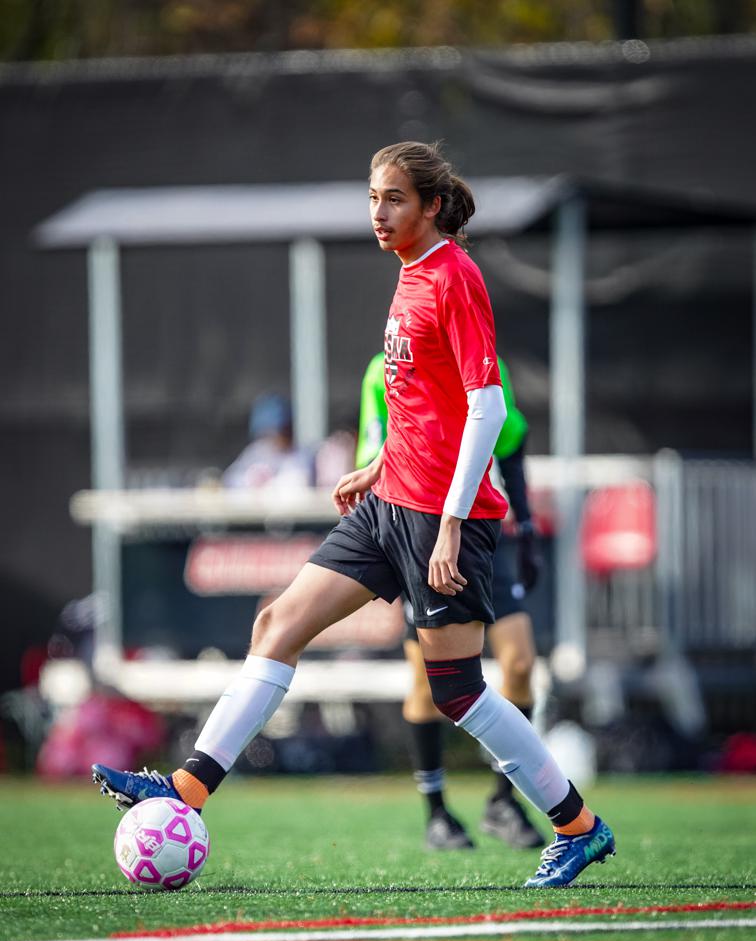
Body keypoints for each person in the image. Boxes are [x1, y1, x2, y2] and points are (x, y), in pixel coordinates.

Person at [92, 140, 615, 887]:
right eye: (372, 197)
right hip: (387, 504)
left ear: (432, 206)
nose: (378, 211)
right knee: (276, 625)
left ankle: (579, 827)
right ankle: (185, 789)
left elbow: (487, 406)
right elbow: (421, 404)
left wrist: (451, 524)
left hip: (446, 521)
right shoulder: (409, 275)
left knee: (459, 692)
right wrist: (378, 464)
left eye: (394, 198)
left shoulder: (455, 277)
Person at [356, 351, 545, 851]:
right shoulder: (386, 369)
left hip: (481, 533)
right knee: (427, 681)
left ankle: (504, 799)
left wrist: (525, 526)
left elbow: (510, 442)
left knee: (521, 662)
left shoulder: (485, 364)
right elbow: (374, 456)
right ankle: (436, 813)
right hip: (419, 532)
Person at [223, 394, 313, 492]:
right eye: (267, 433)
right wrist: (249, 480)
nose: (272, 439)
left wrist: (269, 485)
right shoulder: (257, 450)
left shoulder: (300, 455)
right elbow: (230, 479)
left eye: (277, 432)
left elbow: (298, 484)